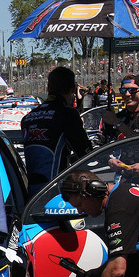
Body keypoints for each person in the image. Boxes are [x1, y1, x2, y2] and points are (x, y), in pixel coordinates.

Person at [20, 66, 91, 194]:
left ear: (48, 88)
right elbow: (85, 153)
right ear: (73, 89)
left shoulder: (27, 118)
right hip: (55, 192)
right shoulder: (67, 114)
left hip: (30, 192)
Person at [102, 74, 139, 184]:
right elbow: (99, 144)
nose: (127, 94)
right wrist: (109, 160)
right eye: (123, 90)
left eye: (132, 90)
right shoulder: (116, 117)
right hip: (123, 177)